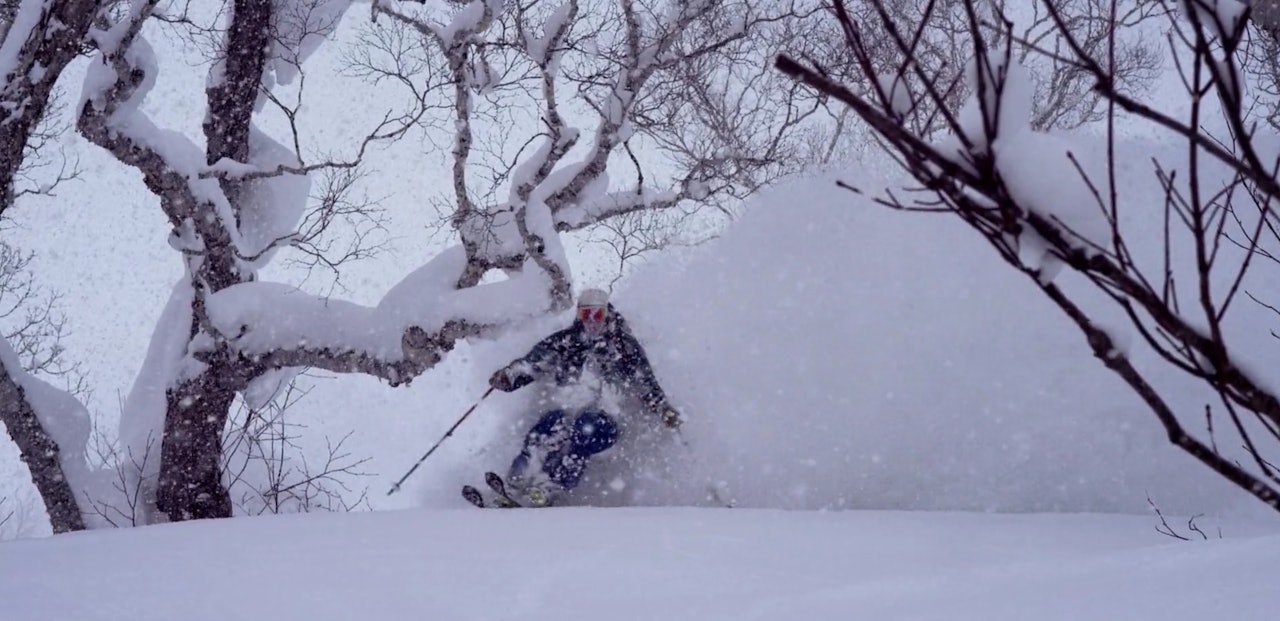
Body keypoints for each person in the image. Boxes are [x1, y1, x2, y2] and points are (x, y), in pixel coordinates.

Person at [488, 288, 683, 506]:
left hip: (609, 418)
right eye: (585, 315)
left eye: (597, 315)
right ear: (579, 315)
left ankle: (551, 487)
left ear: (607, 314)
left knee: (584, 430)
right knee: (545, 429)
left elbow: (645, 381)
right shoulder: (567, 342)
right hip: (568, 410)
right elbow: (535, 362)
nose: (591, 321)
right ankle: (516, 481)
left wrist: (663, 408)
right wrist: (510, 377)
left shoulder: (624, 346)